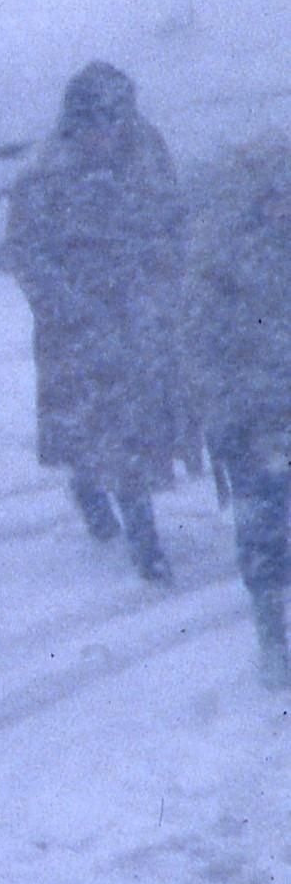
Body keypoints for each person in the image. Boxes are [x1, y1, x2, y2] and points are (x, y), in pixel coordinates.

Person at [5, 61, 190, 584]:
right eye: (93, 124)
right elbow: (25, 250)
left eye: (113, 123)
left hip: (139, 321)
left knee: (134, 438)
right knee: (94, 430)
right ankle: (119, 518)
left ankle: (136, 526)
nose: (104, 135)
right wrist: (67, 307)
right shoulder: (44, 176)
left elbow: (175, 219)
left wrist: (166, 282)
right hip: (78, 332)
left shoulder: (148, 154)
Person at [183, 135, 291, 688]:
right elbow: (204, 344)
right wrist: (224, 417)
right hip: (254, 425)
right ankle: (273, 639)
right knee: (264, 536)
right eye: (277, 196)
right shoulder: (227, 261)